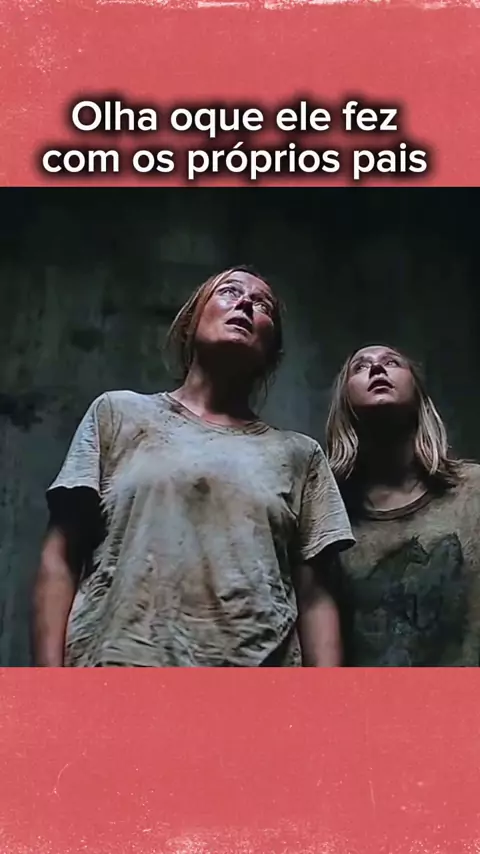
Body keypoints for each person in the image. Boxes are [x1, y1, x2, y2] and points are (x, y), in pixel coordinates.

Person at [33, 267, 353, 667]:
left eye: (262, 305)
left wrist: (326, 702)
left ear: (273, 353)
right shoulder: (117, 414)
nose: (245, 303)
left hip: (255, 689)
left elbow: (315, 597)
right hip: (121, 674)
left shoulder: (300, 455)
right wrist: (47, 687)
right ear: (190, 322)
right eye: (229, 291)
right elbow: (60, 557)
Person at [325, 343, 480, 667]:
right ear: (344, 403)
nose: (376, 368)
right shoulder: (326, 511)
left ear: (419, 394)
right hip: (370, 698)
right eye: (360, 366)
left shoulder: (473, 490)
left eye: (392, 362)